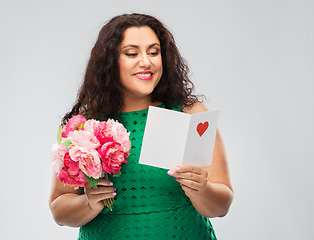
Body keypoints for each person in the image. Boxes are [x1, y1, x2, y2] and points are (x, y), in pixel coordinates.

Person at [49, 13, 233, 239]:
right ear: (110, 61)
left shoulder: (191, 114)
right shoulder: (85, 127)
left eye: (154, 52)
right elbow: (59, 210)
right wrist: (89, 202)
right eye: (132, 53)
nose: (146, 61)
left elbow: (222, 206)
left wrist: (202, 190)